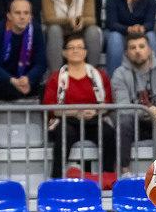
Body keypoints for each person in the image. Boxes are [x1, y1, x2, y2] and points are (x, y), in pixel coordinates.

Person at [42, 34, 117, 174]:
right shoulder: (56, 78)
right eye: (71, 48)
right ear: (64, 53)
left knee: (108, 133)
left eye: (79, 47)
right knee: (65, 134)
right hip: (66, 121)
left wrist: (95, 112)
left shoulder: (99, 75)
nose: (75, 50)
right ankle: (57, 178)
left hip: (93, 119)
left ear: (85, 52)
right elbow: (50, 106)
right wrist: (76, 112)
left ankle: (108, 177)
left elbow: (108, 103)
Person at [111, 33, 156, 168]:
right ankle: (124, 170)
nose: (137, 51)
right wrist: (151, 113)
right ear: (127, 52)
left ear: (149, 49)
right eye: (133, 48)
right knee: (123, 121)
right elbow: (123, 107)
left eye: (141, 46)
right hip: (135, 125)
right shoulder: (119, 74)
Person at [0, 0, 46, 103]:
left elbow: (41, 63)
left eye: (26, 13)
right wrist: (13, 80)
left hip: (28, 81)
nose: (22, 17)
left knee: (42, 80)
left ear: (30, 17)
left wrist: (28, 78)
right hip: (5, 79)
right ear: (9, 16)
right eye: (18, 13)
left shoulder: (35, 30)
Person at [101, 0, 156, 73]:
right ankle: (114, 78)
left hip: (140, 32)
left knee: (151, 36)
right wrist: (128, 29)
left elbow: (150, 23)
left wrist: (141, 28)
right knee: (115, 38)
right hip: (118, 32)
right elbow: (112, 23)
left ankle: (154, 76)